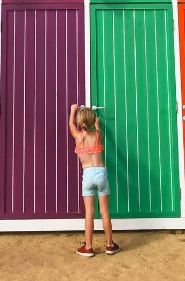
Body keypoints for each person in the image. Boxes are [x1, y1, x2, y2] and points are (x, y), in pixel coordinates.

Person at [69, 103, 120, 257]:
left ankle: (89, 247)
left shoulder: (78, 137)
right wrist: (97, 124)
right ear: (93, 122)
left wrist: (73, 110)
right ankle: (110, 245)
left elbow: (71, 124)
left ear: (80, 122)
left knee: (89, 212)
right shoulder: (98, 135)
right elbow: (99, 133)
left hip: (88, 175)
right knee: (104, 211)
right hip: (101, 173)